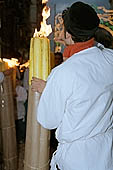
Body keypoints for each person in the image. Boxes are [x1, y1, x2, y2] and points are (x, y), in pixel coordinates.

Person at [31, 2, 113, 170]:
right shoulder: (109, 59)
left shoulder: (62, 73)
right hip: (106, 154)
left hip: (77, 159)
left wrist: (49, 90)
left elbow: (48, 120)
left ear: (68, 33)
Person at [15, 78, 27, 143]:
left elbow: (24, 98)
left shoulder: (22, 89)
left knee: (21, 126)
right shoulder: (11, 88)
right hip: (14, 112)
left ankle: (23, 138)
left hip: (20, 111)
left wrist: (16, 99)